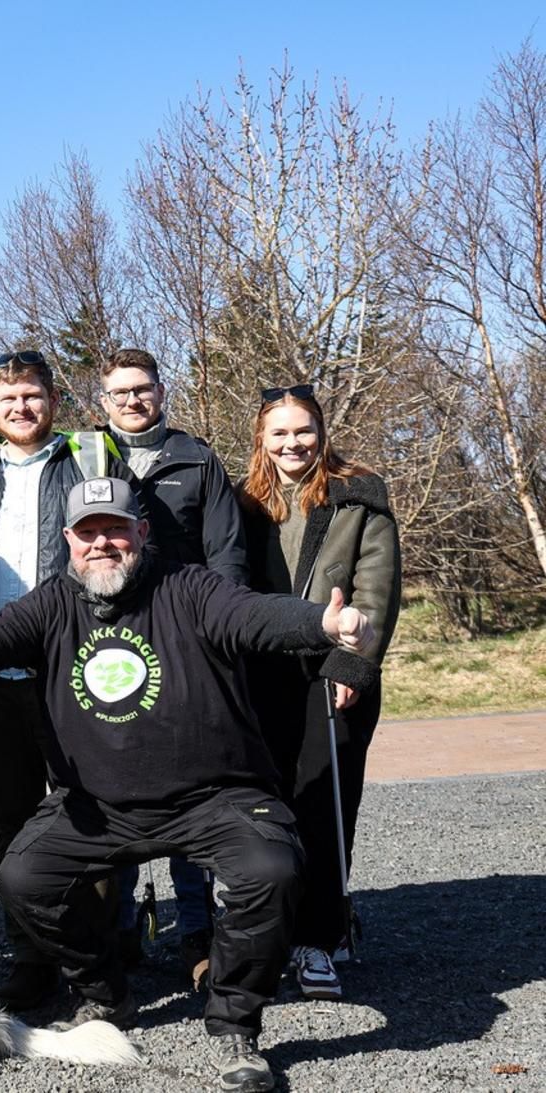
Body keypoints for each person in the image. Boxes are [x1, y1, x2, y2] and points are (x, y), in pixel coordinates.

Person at [0, 476, 378, 1093]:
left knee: (271, 867)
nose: (102, 544)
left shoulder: (189, 587)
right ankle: (104, 992)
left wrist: (319, 625)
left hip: (214, 795)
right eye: (88, 533)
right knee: (24, 877)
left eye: (115, 528)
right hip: (100, 806)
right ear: (68, 542)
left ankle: (236, 1021)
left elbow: (255, 616)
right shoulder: (54, 602)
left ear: (141, 532)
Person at [0, 349, 139, 1010]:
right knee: (13, 825)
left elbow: (127, 550)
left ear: (53, 402)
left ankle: (94, 964)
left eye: (32, 396)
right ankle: (32, 954)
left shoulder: (90, 462)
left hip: (73, 675)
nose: (21, 408)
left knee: (92, 818)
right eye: (8, 399)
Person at [238, 385, 401, 1001]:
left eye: (302, 430)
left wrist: (352, 666)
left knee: (324, 809)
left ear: (321, 430)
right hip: (262, 677)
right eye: (278, 433)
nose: (292, 443)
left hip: (332, 676)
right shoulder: (243, 502)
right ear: (261, 438)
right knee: (264, 811)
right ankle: (267, 936)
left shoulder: (358, 494)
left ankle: (319, 940)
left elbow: (376, 588)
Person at [98, 348, 249, 983]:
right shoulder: (82, 457)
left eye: (143, 389)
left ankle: (196, 934)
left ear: (161, 391)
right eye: (120, 392)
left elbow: (227, 553)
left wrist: (221, 631)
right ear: (103, 401)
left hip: (186, 642)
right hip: (110, 646)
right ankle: (122, 928)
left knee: (190, 786)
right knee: (118, 783)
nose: (133, 400)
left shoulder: (197, 458)